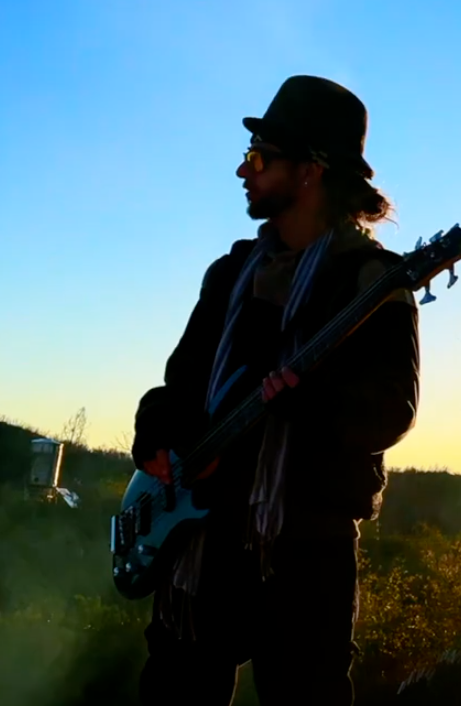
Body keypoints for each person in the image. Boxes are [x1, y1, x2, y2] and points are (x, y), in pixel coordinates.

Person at [130, 75, 420, 706]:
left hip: (306, 551)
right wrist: (154, 430)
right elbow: (180, 386)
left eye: (260, 157)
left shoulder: (373, 283)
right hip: (201, 543)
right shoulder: (232, 272)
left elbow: (392, 412)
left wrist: (306, 404)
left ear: (311, 170)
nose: (243, 169)